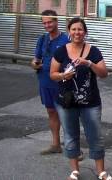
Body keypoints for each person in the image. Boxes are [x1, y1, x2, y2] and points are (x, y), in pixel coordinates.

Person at [50, 17, 111, 180]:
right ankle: (75, 170)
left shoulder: (94, 51)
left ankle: (101, 171)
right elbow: (53, 74)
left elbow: (104, 74)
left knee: (95, 135)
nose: (77, 32)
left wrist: (89, 63)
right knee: (70, 135)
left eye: (80, 29)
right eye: (74, 29)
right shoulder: (61, 51)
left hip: (90, 102)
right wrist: (63, 75)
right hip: (66, 101)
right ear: (69, 31)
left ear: (85, 32)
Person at [30, 10, 69, 155]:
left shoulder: (66, 40)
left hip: (61, 83)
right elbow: (36, 58)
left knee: (67, 115)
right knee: (51, 112)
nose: (47, 25)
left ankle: (73, 148)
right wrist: (34, 63)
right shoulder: (42, 39)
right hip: (45, 82)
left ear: (56, 21)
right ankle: (55, 144)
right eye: (44, 23)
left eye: (50, 22)